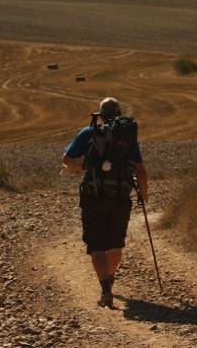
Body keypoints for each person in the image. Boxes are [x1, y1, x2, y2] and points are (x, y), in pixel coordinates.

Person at [61, 97, 148, 308]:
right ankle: (109, 277)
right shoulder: (128, 137)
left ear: (99, 115)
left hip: (93, 196)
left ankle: (105, 290)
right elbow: (141, 171)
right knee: (116, 243)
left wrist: (83, 169)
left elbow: (67, 160)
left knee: (97, 245)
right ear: (118, 114)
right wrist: (143, 195)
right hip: (120, 196)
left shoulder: (88, 133)